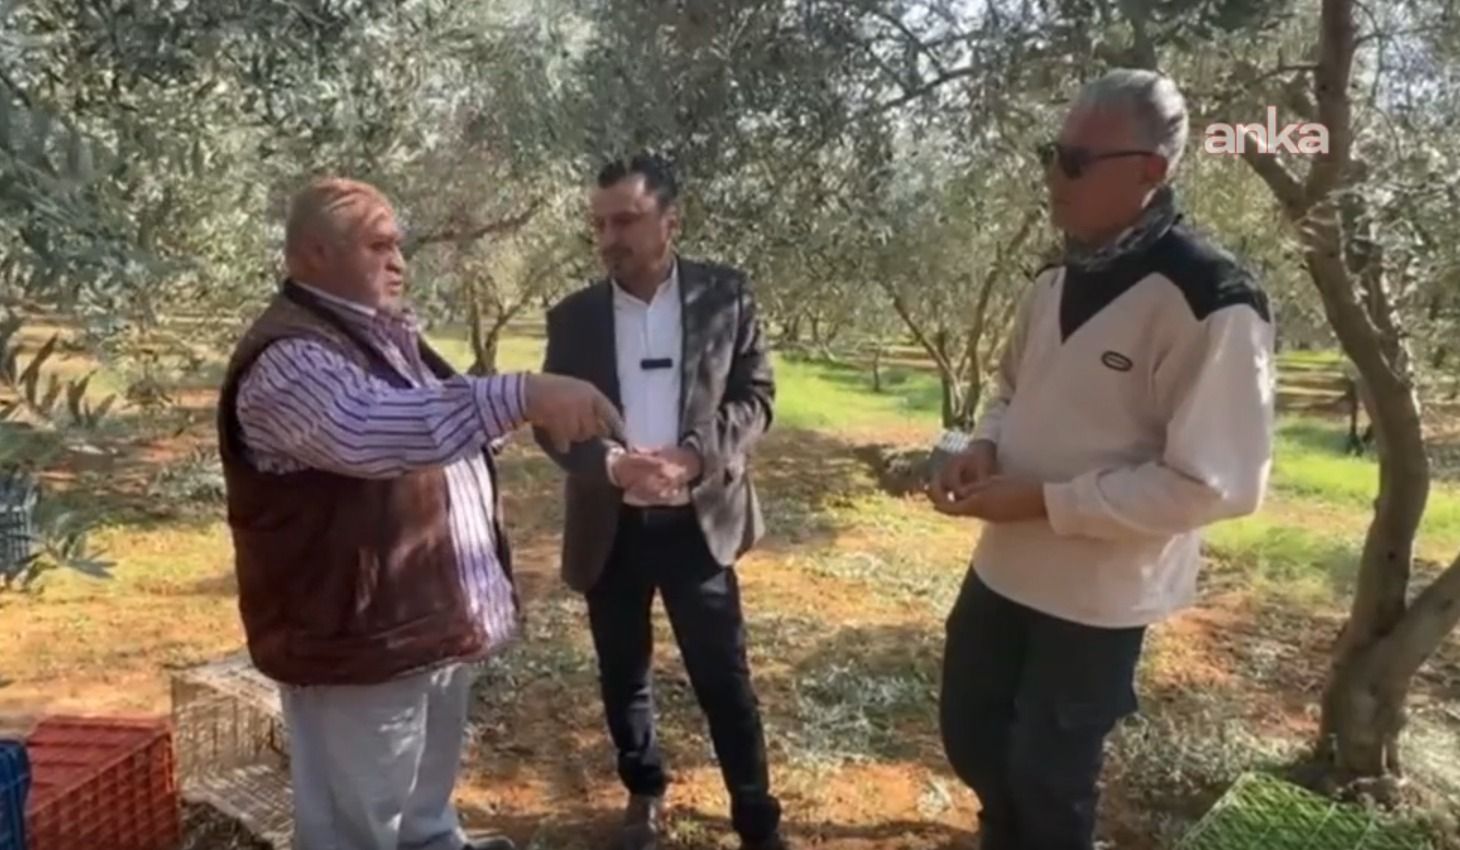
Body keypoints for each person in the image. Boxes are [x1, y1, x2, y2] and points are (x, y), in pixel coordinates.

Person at [217, 176, 620, 850]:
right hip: (353, 646)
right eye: (378, 246)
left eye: (399, 245)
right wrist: (522, 395)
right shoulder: (290, 357)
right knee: (357, 832)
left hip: (417, 631)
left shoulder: (382, 336)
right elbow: (371, 429)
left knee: (421, 814)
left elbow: (437, 422)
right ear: (314, 253)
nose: (399, 261)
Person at [929, 69, 1276, 850]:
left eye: (1076, 161)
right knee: (973, 737)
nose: (1054, 176)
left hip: (1097, 600)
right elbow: (1010, 390)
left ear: (1151, 171)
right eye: (1051, 154)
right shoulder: (1054, 278)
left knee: (1049, 784)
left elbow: (1216, 486)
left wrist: (1047, 501)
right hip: (1003, 570)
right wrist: (983, 445)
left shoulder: (1211, 299)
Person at [533, 154, 785, 850]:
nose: (608, 238)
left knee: (724, 677)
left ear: (671, 221)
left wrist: (695, 457)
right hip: (610, 527)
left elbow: (756, 397)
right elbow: (552, 423)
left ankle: (755, 816)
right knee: (624, 674)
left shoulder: (724, 297)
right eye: (599, 225)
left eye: (626, 220)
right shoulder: (574, 318)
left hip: (697, 526)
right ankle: (643, 791)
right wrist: (612, 466)